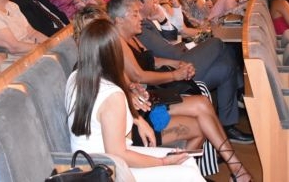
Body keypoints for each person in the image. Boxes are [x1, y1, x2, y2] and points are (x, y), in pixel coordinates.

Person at [66, 18, 207, 182]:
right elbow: (118, 155)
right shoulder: (112, 95)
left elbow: (102, 115)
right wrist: (162, 162)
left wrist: (138, 119)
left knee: (186, 159)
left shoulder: (76, 77)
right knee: (187, 173)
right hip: (108, 172)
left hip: (91, 164)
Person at [124, 0, 252, 145]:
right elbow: (169, 52)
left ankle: (228, 125)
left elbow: (172, 38)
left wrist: (164, 21)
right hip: (170, 74)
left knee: (225, 67)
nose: (155, 0)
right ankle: (241, 89)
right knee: (217, 42)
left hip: (179, 58)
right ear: (138, 4)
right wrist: (186, 53)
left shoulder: (151, 18)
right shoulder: (139, 28)